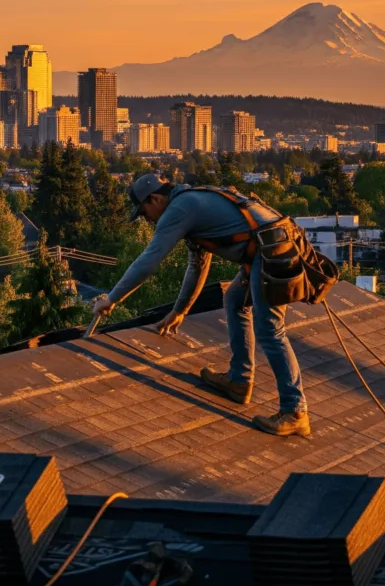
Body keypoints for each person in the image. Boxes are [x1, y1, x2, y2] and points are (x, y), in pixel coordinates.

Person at [91, 173, 310, 437]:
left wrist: (112, 298)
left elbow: (149, 260)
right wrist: (180, 310)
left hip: (274, 252)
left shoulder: (180, 208)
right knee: (234, 300)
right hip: (271, 248)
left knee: (271, 330)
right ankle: (239, 382)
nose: (147, 219)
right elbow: (198, 265)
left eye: (144, 211)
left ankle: (295, 410)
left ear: (156, 198)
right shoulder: (191, 203)